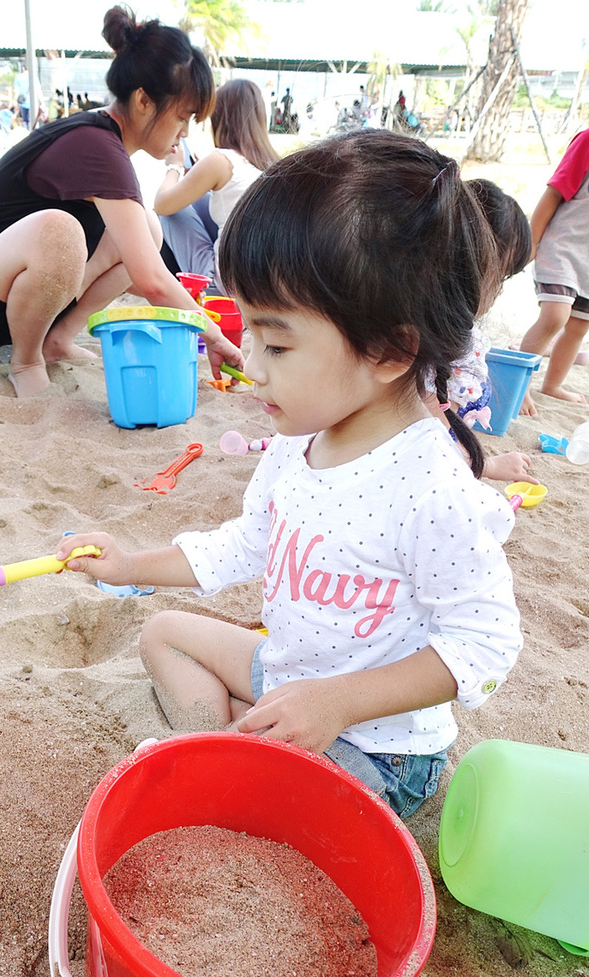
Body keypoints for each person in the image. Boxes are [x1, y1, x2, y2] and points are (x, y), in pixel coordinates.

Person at [54, 131, 522, 819]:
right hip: (287, 675)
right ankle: (213, 742)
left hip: (374, 746)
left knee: (260, 808)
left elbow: (484, 643)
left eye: (275, 341)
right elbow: (247, 544)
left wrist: (336, 702)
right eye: (247, 331)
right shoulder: (293, 445)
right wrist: (129, 565)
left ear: (390, 348)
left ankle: (231, 759)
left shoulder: (431, 488)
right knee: (162, 634)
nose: (251, 362)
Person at [0, 6, 245, 400]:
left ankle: (56, 338)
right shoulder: (97, 146)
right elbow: (153, 281)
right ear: (144, 101)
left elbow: (145, 266)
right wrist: (213, 335)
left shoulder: (104, 140)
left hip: (5, 287)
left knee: (147, 227)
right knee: (60, 233)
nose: (184, 132)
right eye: (183, 116)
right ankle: (26, 360)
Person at [424, 178, 539, 484]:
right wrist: (486, 465)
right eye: (502, 275)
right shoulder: (454, 348)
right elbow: (420, 443)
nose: (499, 290)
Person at [154, 79, 278, 292]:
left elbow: (162, 205)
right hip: (260, 289)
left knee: (170, 211)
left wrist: (174, 167)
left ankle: (186, 289)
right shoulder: (273, 163)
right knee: (202, 198)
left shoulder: (220, 160)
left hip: (221, 287)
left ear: (220, 117)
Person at [518, 125, 589, 417]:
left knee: (578, 326)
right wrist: (532, 242)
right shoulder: (587, 140)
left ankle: (552, 385)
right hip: (562, 248)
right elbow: (553, 193)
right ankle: (516, 386)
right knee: (555, 315)